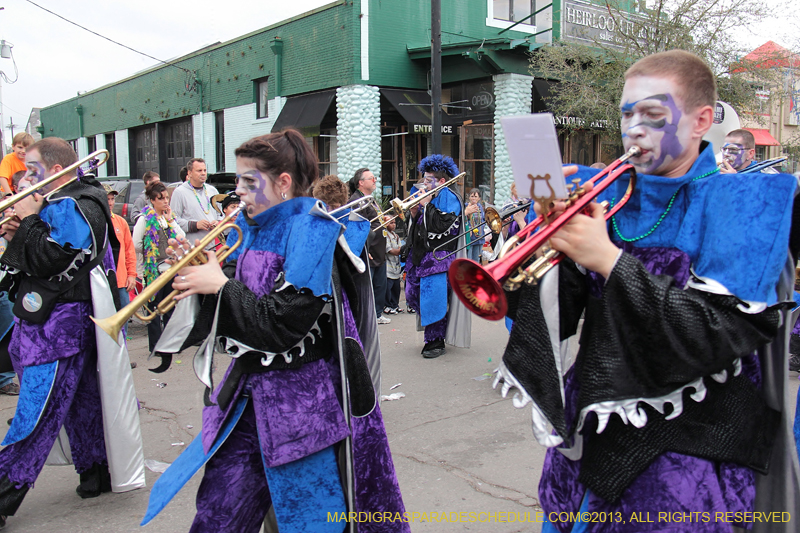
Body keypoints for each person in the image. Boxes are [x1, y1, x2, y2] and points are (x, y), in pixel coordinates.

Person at [494, 50, 800, 532]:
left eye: (653, 115)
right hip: (591, 438)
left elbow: (718, 335)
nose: (634, 129)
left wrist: (607, 259)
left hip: (688, 456)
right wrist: (549, 237)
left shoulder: (743, 202)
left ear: (702, 121)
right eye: (626, 115)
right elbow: (557, 316)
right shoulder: (610, 196)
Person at [141, 129, 408, 533]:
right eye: (238, 180)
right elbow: (237, 302)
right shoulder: (251, 226)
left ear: (283, 182)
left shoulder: (312, 228)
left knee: (311, 522)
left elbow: (284, 324)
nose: (238, 191)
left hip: (300, 410)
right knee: (216, 515)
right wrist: (197, 274)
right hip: (247, 399)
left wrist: (221, 286)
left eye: (249, 181)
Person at [0, 138, 144, 529]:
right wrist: (17, 231)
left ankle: (4, 491)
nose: (27, 178)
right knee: (84, 401)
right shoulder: (58, 201)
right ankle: (95, 471)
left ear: (56, 168)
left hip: (60, 327)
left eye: (33, 170)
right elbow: (36, 257)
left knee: (36, 412)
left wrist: (27, 221)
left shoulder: (80, 202)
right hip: (54, 322)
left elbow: (54, 258)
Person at [405, 155, 471, 358]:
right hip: (420, 256)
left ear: (441, 181)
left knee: (434, 299)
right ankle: (436, 330)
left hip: (439, 258)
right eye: (424, 178)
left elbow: (443, 227)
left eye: (428, 179)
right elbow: (420, 226)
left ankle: (435, 340)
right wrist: (414, 212)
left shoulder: (449, 196)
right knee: (412, 294)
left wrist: (426, 205)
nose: (424, 183)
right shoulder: (429, 194)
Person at [132, 181, 185, 354]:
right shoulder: (145, 219)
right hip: (153, 270)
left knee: (170, 307)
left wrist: (171, 220)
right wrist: (150, 249)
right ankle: (155, 346)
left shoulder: (167, 218)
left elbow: (181, 237)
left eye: (167, 198)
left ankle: (170, 343)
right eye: (161, 198)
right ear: (152, 200)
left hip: (169, 269)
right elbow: (136, 243)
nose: (165, 201)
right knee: (154, 308)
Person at [348, 168, 391, 325]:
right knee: (368, 287)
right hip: (369, 251)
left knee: (380, 285)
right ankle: (366, 317)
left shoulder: (370, 199)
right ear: (361, 182)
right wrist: (364, 249)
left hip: (379, 250)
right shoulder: (356, 201)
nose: (375, 181)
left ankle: (377, 314)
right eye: (371, 178)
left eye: (375, 178)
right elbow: (357, 228)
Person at [105, 185, 137, 338]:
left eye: (112, 199)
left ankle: (122, 349)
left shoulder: (121, 222)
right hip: (104, 281)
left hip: (120, 281)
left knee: (123, 320)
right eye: (107, 199)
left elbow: (129, 251)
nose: (110, 203)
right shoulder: (97, 222)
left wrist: (131, 275)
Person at [169, 158, 220, 246]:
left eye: (205, 170)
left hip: (214, 245)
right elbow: (174, 220)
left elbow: (221, 214)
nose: (203, 173)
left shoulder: (212, 190)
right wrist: (195, 225)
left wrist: (217, 222)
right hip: (193, 246)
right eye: (199, 171)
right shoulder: (179, 192)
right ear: (190, 173)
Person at [384, 215, 403, 314]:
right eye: (391, 223)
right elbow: (390, 250)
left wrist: (399, 251)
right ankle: (388, 306)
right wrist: (399, 251)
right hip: (388, 267)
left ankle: (395, 305)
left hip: (396, 267)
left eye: (394, 222)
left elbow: (400, 249)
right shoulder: (385, 235)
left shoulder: (396, 236)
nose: (394, 225)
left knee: (396, 288)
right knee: (388, 288)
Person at [464, 188, 486, 263]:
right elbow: (465, 220)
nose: (473, 198)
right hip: (470, 236)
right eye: (472, 196)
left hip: (479, 236)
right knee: (469, 258)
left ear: (479, 198)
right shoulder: (466, 207)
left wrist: (481, 228)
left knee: (476, 258)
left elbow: (483, 219)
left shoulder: (480, 207)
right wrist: (469, 228)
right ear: (469, 197)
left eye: (475, 196)